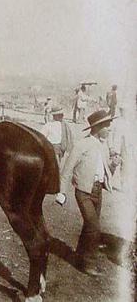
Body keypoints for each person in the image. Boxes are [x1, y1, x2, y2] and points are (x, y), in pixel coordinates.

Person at [59, 110, 119, 276]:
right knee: (94, 227)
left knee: (89, 226)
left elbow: (106, 171)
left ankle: (80, 256)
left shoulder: (103, 146)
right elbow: (67, 169)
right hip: (83, 192)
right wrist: (62, 192)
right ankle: (89, 264)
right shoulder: (82, 145)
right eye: (107, 125)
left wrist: (114, 165)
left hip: (97, 191)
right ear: (98, 127)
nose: (109, 128)